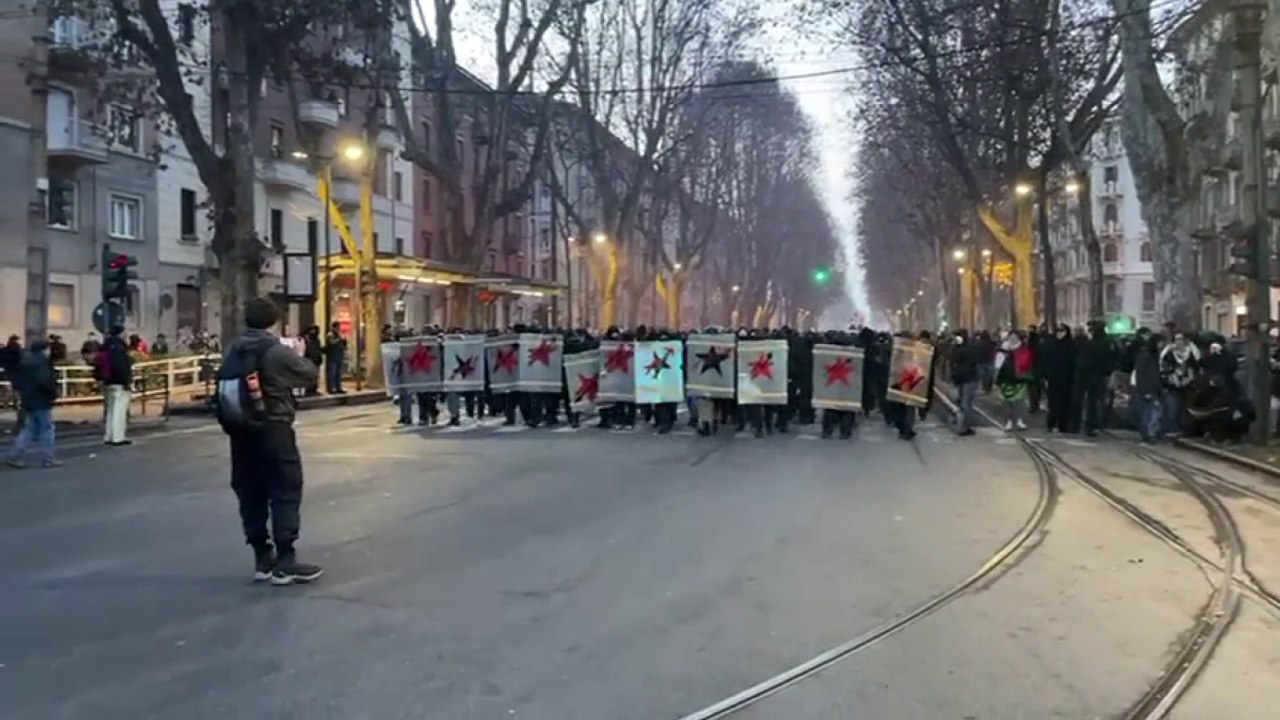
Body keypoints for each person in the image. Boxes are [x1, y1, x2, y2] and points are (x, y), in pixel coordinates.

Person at [219, 297, 323, 586]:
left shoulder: (234, 350)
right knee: (285, 489)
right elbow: (309, 375)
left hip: (240, 431)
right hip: (274, 428)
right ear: (273, 321)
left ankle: (262, 558)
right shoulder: (275, 352)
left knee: (250, 493)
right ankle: (286, 560)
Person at [4, 339, 60, 469]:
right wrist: (53, 393)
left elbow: (19, 381)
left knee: (28, 430)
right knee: (47, 429)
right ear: (44, 349)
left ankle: (15, 456)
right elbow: (44, 381)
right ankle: (48, 458)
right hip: (42, 400)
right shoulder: (43, 362)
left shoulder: (25, 362)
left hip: (28, 399)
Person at [97, 324, 133, 446]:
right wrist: (126, 382)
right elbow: (120, 367)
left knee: (110, 410)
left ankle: (109, 435)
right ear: (121, 334)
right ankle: (118, 437)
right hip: (119, 383)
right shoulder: (119, 348)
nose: (126, 335)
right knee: (119, 410)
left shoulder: (106, 346)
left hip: (108, 382)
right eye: (125, 332)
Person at [324, 322, 347, 395]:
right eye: (338, 327)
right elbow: (331, 343)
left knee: (338, 373)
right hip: (332, 357)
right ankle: (331, 388)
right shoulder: (330, 334)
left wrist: (343, 343)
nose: (339, 329)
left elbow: (342, 345)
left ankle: (338, 388)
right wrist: (339, 339)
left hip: (339, 356)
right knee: (332, 373)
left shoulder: (339, 335)